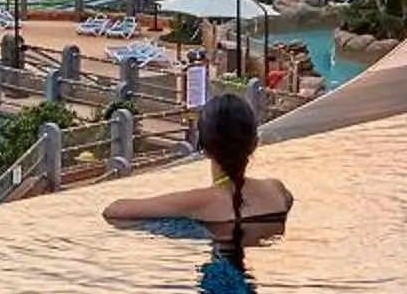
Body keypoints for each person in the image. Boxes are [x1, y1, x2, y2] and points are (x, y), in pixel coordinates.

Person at [103, 89, 290, 232]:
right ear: (255, 144)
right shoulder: (278, 191)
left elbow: (115, 210)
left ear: (204, 148)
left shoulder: (199, 202)